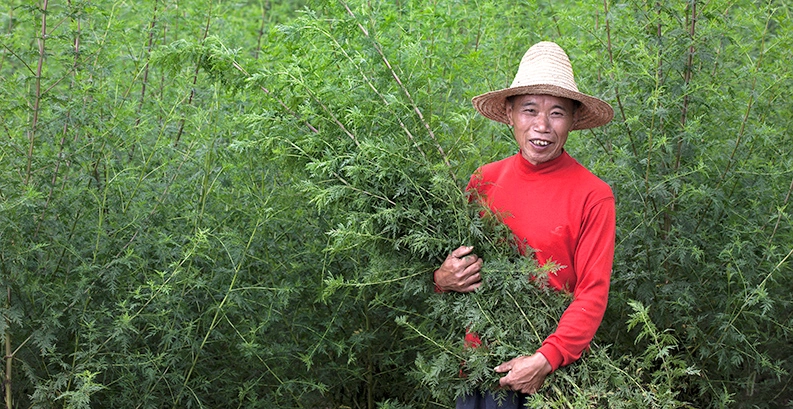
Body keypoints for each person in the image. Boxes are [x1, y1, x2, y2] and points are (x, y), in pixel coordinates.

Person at [433, 41, 616, 408]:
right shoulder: (482, 181)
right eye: (530, 110)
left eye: (557, 113)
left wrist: (546, 359)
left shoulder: (593, 195)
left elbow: (592, 293)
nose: (542, 126)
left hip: (549, 378)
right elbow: (452, 267)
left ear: (573, 120)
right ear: (511, 114)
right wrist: (441, 278)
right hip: (480, 368)